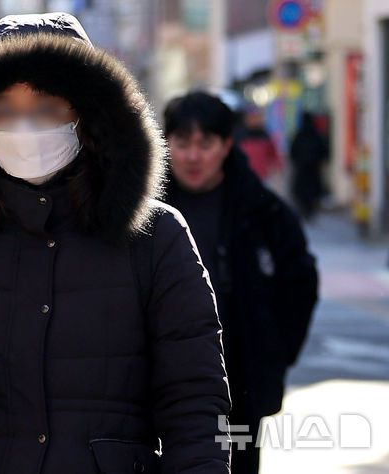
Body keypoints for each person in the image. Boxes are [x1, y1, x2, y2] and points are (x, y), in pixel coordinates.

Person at [0, 13, 230, 474]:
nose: (25, 128)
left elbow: (196, 401)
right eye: (3, 109)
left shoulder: (155, 235)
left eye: (47, 107)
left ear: (89, 114)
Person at [162, 91, 318, 474]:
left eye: (205, 144)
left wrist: (274, 352)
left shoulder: (264, 212)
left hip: (241, 387)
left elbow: (300, 282)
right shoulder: (141, 210)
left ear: (227, 145)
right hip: (158, 388)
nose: (193, 156)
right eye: (182, 143)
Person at [290, 111, 329, 219]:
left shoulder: (299, 135)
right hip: (313, 169)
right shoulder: (316, 134)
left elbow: (293, 152)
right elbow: (323, 151)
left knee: (302, 191)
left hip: (301, 169)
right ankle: (309, 210)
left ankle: (305, 209)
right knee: (312, 190)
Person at [236, 105, 282, 182]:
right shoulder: (239, 135)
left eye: (257, 117)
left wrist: (277, 165)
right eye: (252, 117)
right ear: (246, 119)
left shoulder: (265, 135)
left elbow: (273, 154)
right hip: (244, 176)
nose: (255, 120)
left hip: (262, 176)